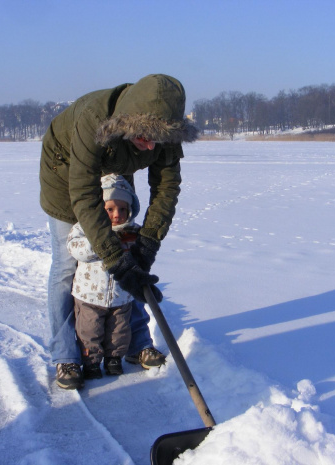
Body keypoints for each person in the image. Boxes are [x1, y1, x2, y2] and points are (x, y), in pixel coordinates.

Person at [39, 74, 199, 389]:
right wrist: (114, 258)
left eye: (160, 138)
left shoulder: (161, 132)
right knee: (66, 265)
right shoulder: (92, 120)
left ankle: (136, 343)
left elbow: (166, 189)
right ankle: (66, 356)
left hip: (116, 169)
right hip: (65, 174)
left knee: (132, 261)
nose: (152, 146)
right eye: (145, 136)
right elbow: (84, 195)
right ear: (127, 123)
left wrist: (146, 248)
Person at [68, 174, 141, 380]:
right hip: (90, 295)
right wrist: (98, 242)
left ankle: (114, 358)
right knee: (89, 331)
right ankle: (91, 362)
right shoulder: (85, 228)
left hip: (121, 296)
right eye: (110, 209)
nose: (117, 214)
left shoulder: (132, 231)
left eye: (123, 209)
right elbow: (75, 248)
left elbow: (140, 257)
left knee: (119, 332)